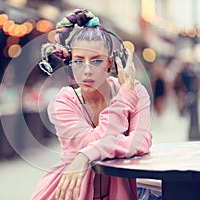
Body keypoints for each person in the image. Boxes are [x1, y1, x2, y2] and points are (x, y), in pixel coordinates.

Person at [31, 9, 152, 200]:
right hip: (66, 194)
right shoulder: (63, 103)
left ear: (110, 63)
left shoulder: (135, 91)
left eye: (96, 61)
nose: (87, 70)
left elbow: (141, 143)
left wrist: (85, 156)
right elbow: (92, 141)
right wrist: (124, 98)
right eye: (79, 61)